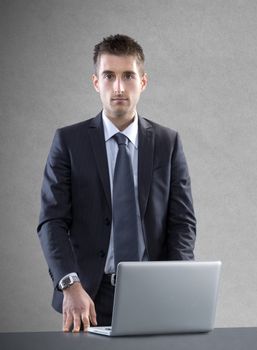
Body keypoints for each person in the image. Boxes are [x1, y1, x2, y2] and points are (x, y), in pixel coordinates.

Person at [37, 34, 196, 333]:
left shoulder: (167, 143)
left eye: (128, 76)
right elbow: (52, 221)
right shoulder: (69, 142)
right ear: (96, 82)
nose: (119, 87)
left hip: (154, 295)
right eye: (109, 76)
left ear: (143, 82)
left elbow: (182, 223)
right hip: (87, 297)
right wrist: (69, 284)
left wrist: (178, 284)